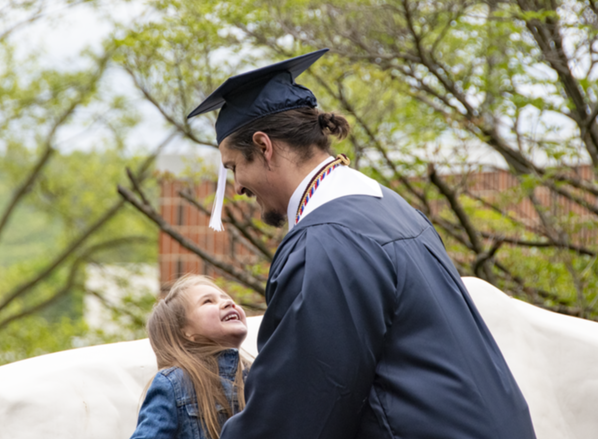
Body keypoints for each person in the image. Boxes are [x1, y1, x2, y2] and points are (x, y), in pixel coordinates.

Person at [187, 49, 538, 438]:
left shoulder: (326, 242)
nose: (236, 187)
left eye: (235, 166)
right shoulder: (390, 207)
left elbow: (296, 410)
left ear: (264, 146)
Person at [129, 275, 251, 439]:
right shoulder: (175, 384)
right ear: (186, 332)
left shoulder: (259, 375)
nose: (229, 303)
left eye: (227, 298)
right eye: (208, 301)